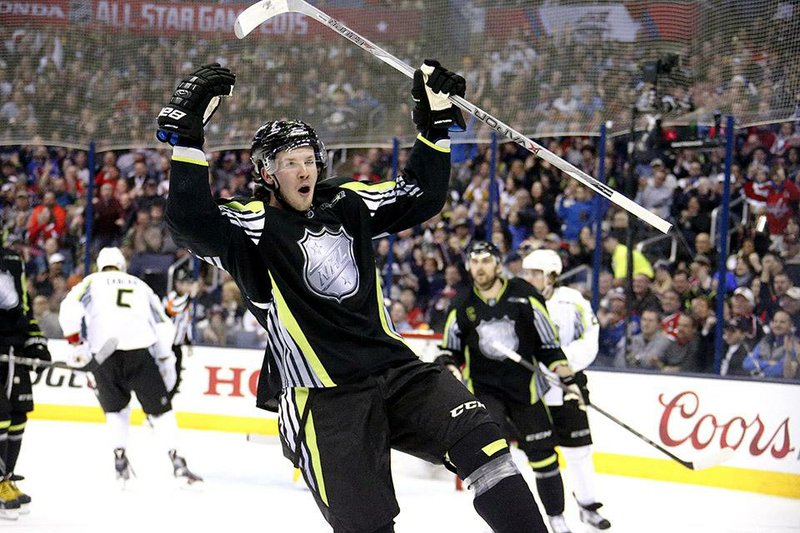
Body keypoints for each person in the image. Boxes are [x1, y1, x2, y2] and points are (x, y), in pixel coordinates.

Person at [157, 62, 548, 532]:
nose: (304, 170)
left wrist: (434, 123)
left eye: (308, 160)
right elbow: (189, 222)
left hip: (396, 370)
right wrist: (187, 139)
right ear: (265, 172)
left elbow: (421, 196)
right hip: (323, 397)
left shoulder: (347, 202)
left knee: (484, 442)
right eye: (289, 163)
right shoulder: (250, 225)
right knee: (367, 524)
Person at [438, 241, 586, 533]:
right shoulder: (461, 304)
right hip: (484, 393)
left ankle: (556, 517)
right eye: (474, 261)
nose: (479, 267)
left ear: (498, 263)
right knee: (492, 457)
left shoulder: (525, 296)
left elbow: (549, 347)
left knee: (544, 455)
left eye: (485, 260)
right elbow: (448, 352)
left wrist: (570, 381)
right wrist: (450, 366)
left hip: (525, 391)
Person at [57, 247, 201, 486]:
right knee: (160, 412)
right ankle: (178, 464)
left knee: (116, 411)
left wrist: (76, 345)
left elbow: (68, 309)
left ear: (101, 265)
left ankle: (120, 462)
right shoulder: (139, 285)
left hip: (103, 356)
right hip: (139, 353)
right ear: (122, 265)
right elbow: (164, 325)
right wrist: (165, 359)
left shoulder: (92, 281)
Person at [521, 248, 612, 530]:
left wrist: (561, 366)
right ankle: (555, 516)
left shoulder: (573, 301)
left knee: (579, 450)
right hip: (534, 389)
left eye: (536, 273)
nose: (530, 278)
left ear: (552, 275)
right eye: (528, 273)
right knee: (543, 455)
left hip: (569, 384)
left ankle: (587, 505)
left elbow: (590, 339)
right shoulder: (521, 301)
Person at [0, 236, 52, 518]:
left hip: (12, 349)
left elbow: (24, 309)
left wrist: (35, 341)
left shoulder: (12, 261)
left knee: (18, 415)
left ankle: (5, 478)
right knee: (1, 416)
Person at [162, 269, 195, 400]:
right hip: (165, 347)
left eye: (189, 283)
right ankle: (158, 408)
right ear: (177, 284)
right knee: (164, 379)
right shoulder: (170, 298)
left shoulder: (188, 302)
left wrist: (189, 342)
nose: (188, 286)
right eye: (185, 283)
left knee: (175, 381)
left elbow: (186, 323)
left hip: (177, 347)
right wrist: (191, 297)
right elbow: (174, 309)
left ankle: (165, 406)